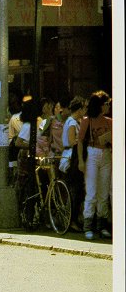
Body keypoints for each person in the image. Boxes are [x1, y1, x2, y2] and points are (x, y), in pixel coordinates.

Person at [77, 91, 112, 240]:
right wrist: (80, 160)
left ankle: (101, 226)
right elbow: (79, 141)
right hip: (92, 154)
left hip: (106, 154)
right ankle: (88, 226)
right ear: (101, 105)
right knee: (91, 192)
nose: (108, 106)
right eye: (107, 104)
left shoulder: (109, 121)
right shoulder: (87, 120)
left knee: (103, 193)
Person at [60, 97, 86, 232]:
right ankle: (72, 220)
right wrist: (81, 141)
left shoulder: (74, 121)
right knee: (74, 190)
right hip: (71, 158)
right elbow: (71, 141)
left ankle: (73, 218)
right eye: (84, 108)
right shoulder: (71, 123)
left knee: (76, 190)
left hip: (73, 156)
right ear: (79, 109)